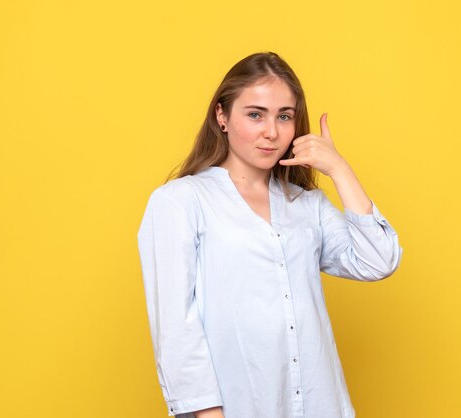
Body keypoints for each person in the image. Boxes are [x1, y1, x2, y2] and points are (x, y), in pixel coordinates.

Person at [137, 51, 403, 418]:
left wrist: (339, 169)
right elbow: (174, 325)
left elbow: (379, 260)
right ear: (222, 116)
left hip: (320, 405)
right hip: (237, 407)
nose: (272, 132)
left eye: (284, 116)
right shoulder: (181, 202)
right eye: (255, 114)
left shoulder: (306, 204)